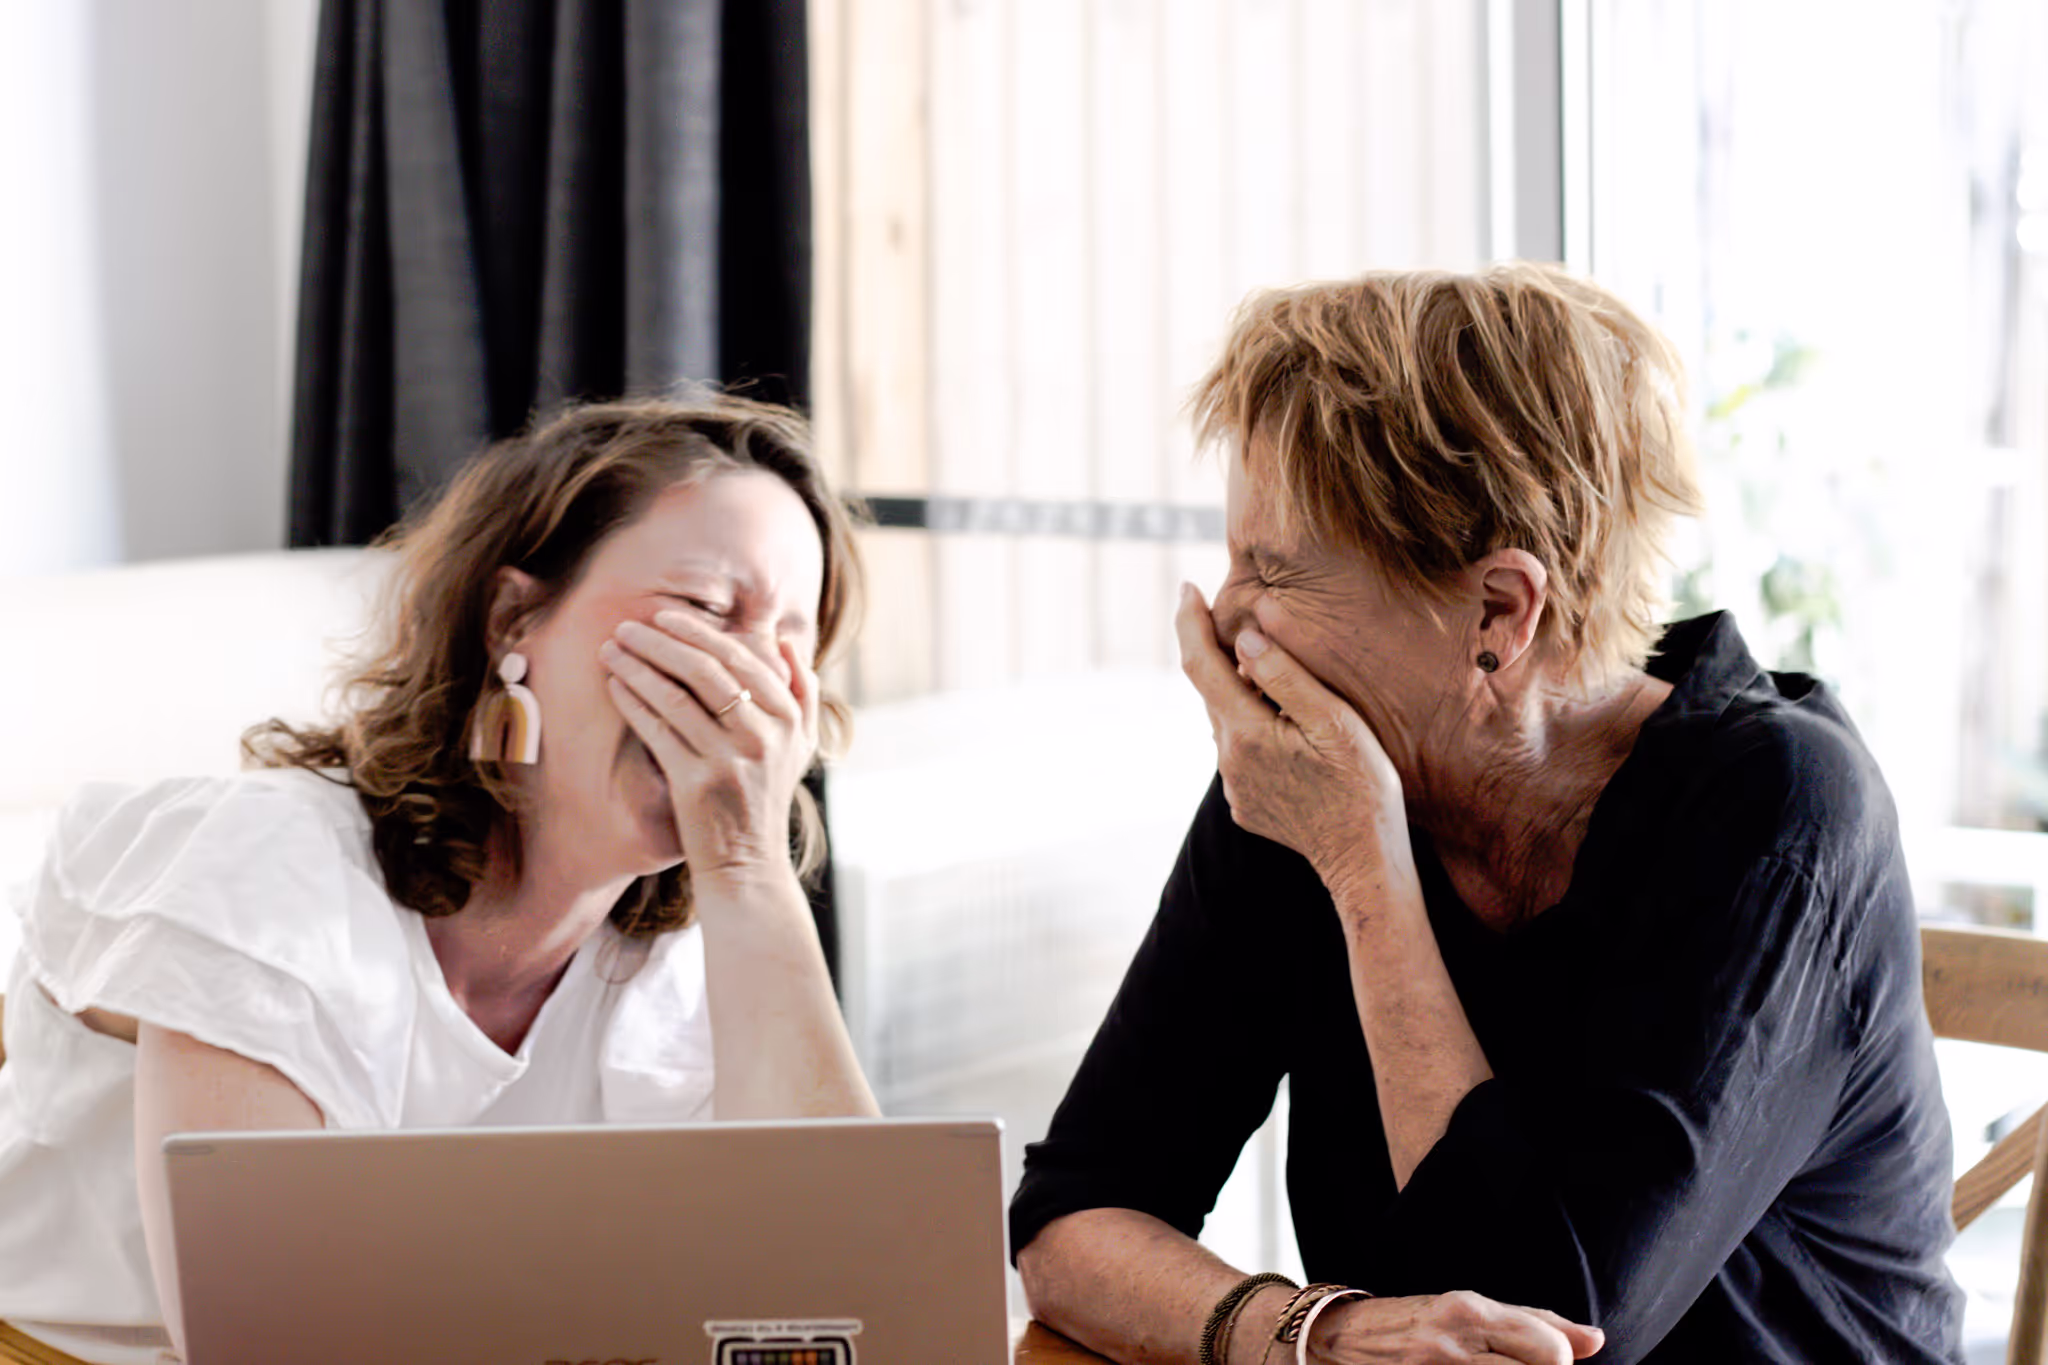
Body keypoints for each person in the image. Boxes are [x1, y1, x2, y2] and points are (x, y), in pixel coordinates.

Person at [1010, 265, 1964, 1364]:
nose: (1225, 620)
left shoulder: (1773, 810)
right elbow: (1070, 1219)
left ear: (1496, 613)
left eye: (1270, 571)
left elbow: (1543, 1324)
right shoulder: (1307, 780)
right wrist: (1309, 1339)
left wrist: (1361, 866)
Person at [0, 394, 877, 1365]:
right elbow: (269, 1338)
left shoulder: (673, 950)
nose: (744, 686)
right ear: (513, 618)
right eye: (705, 614)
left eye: (790, 641)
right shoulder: (267, 866)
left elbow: (842, 1294)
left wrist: (747, 866)